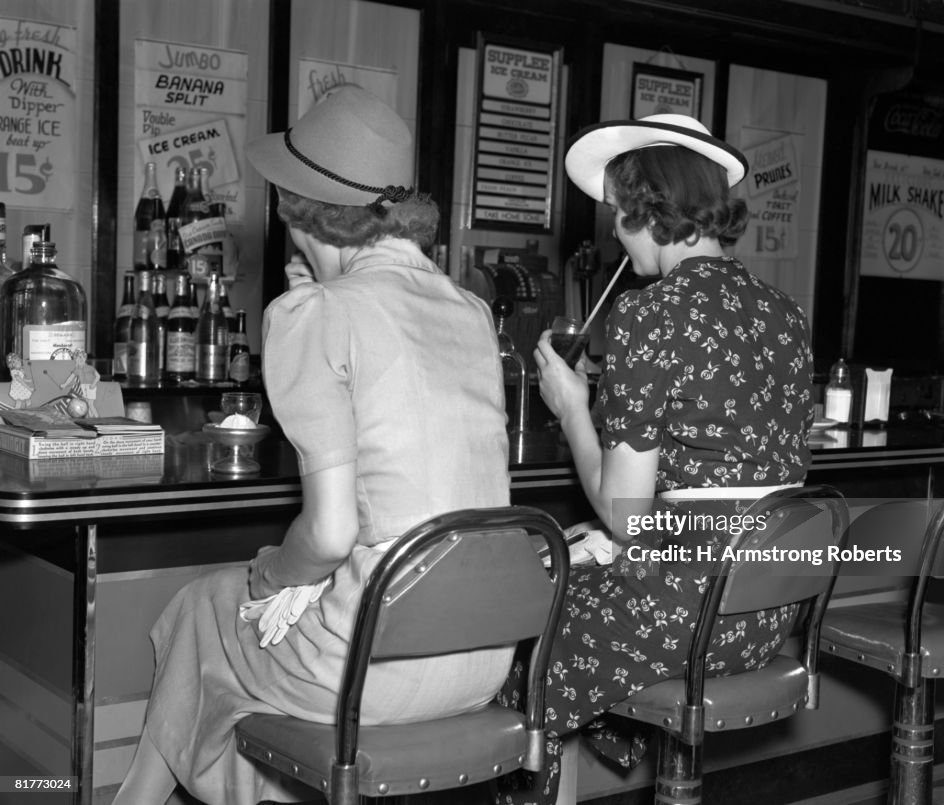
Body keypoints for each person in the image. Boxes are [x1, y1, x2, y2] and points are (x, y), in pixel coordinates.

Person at [113, 85, 512, 805]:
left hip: (371, 668)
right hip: (485, 657)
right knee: (216, 617)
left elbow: (330, 534)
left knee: (204, 607)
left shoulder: (315, 314)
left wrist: (270, 574)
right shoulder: (471, 310)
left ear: (297, 207)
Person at [496, 114, 815, 804]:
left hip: (685, 615)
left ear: (648, 206)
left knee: (514, 624)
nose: (613, 228)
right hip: (767, 608)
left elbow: (626, 518)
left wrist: (574, 408)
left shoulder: (649, 316)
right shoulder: (786, 314)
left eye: (617, 210)